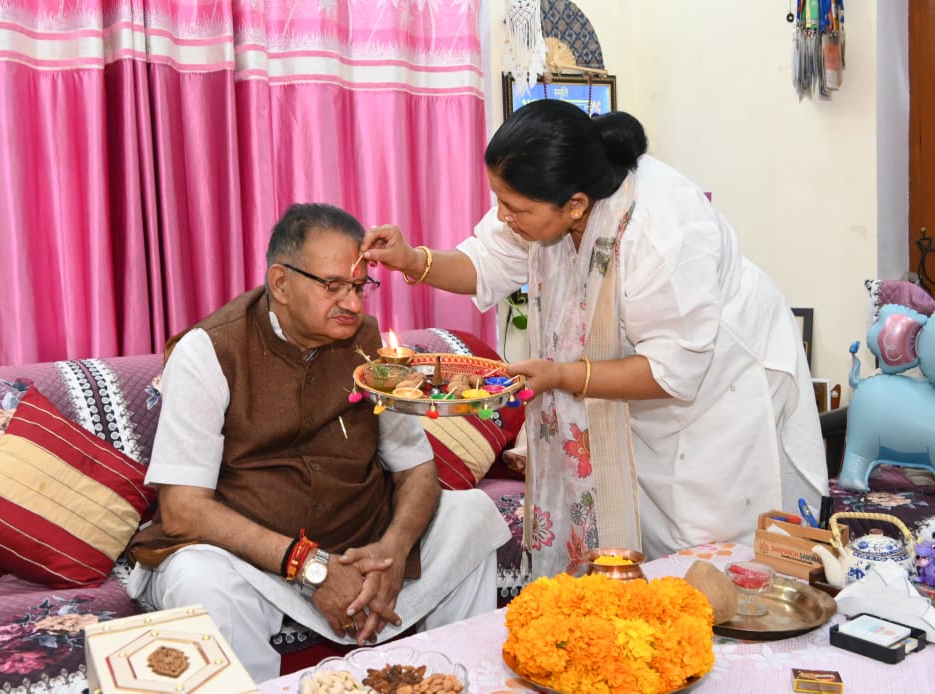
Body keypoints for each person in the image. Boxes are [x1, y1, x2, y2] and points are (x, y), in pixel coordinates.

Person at [359, 100, 829, 574]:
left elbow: (669, 372)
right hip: (625, 391)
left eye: (514, 208)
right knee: (636, 540)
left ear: (576, 204)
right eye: (499, 200)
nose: (502, 216)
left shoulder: (665, 233)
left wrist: (562, 376)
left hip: (717, 392)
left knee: (704, 550)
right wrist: (412, 260)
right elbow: (486, 261)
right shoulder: (551, 196)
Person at [125, 203, 510, 682]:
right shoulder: (208, 351)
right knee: (198, 579)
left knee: (472, 516)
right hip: (253, 559)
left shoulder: (370, 346)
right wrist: (308, 565)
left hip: (360, 540)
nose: (353, 304)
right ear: (281, 283)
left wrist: (391, 552)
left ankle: (451, 682)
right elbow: (183, 509)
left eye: (359, 286)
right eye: (333, 286)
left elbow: (416, 469)